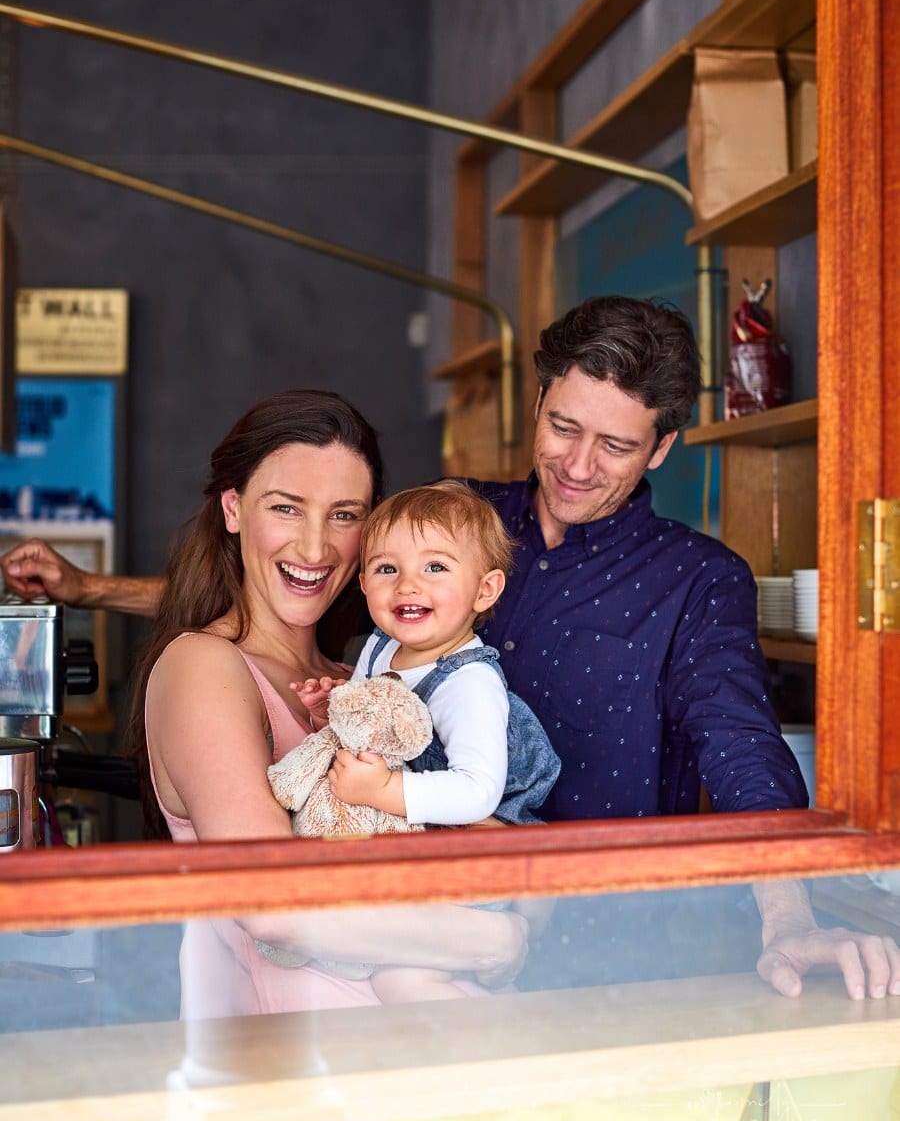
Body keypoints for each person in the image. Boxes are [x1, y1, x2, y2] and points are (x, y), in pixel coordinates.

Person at [4, 297, 899, 1003]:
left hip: (616, 952)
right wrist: (92, 592)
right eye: (563, 428)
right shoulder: (458, 515)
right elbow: (301, 589)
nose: (579, 465)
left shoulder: (700, 580)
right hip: (424, 939)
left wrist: (789, 917)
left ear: (663, 445)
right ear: (537, 400)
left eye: (616, 445)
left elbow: (744, 752)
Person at [73, 390, 529, 1018]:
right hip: (290, 1081)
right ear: (233, 508)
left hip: (411, 1063)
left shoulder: (356, 687)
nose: (316, 548)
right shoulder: (204, 666)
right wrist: (499, 938)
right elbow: (274, 906)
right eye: (286, 508)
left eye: (345, 515)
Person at [292, 479, 560, 1003]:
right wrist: (335, 713)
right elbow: (380, 726)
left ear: (485, 590)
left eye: (435, 568)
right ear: (364, 582)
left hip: (479, 857)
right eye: (388, 569)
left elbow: (478, 791)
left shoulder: (469, 681)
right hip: (421, 849)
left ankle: (500, 1058)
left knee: (405, 980)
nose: (408, 585)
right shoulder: (378, 647)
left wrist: (382, 791)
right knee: (395, 972)